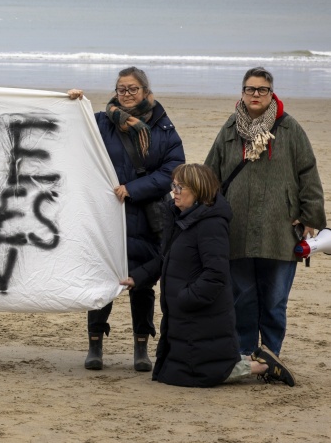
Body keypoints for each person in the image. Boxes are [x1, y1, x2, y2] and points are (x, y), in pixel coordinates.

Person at [68, 66, 184, 372]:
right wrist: (73, 103)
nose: (127, 94)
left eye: (133, 89)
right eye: (122, 89)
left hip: (147, 215)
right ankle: (95, 344)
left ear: (146, 91)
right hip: (105, 214)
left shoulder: (162, 126)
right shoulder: (102, 122)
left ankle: (141, 346)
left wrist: (132, 189)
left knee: (143, 282)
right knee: (101, 279)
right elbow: (71, 131)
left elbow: (173, 169)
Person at [204, 67, 325, 356]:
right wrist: (207, 214)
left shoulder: (289, 127)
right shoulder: (231, 127)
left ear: (271, 93)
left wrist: (310, 215)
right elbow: (211, 173)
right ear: (242, 92)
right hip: (238, 228)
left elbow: (308, 171)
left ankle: (271, 356)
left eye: (262, 90)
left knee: (274, 301)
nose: (255, 94)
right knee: (241, 299)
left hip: (279, 230)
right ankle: (245, 356)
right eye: (250, 89)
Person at [145, 163, 295, 387]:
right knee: (186, 369)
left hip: (202, 313)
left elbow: (216, 274)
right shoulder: (182, 219)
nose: (173, 192)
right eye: (173, 186)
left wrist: (185, 298)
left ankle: (263, 365)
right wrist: (137, 277)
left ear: (197, 190)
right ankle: (257, 359)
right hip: (188, 316)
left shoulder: (211, 224)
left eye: (179, 187)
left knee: (205, 371)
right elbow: (166, 258)